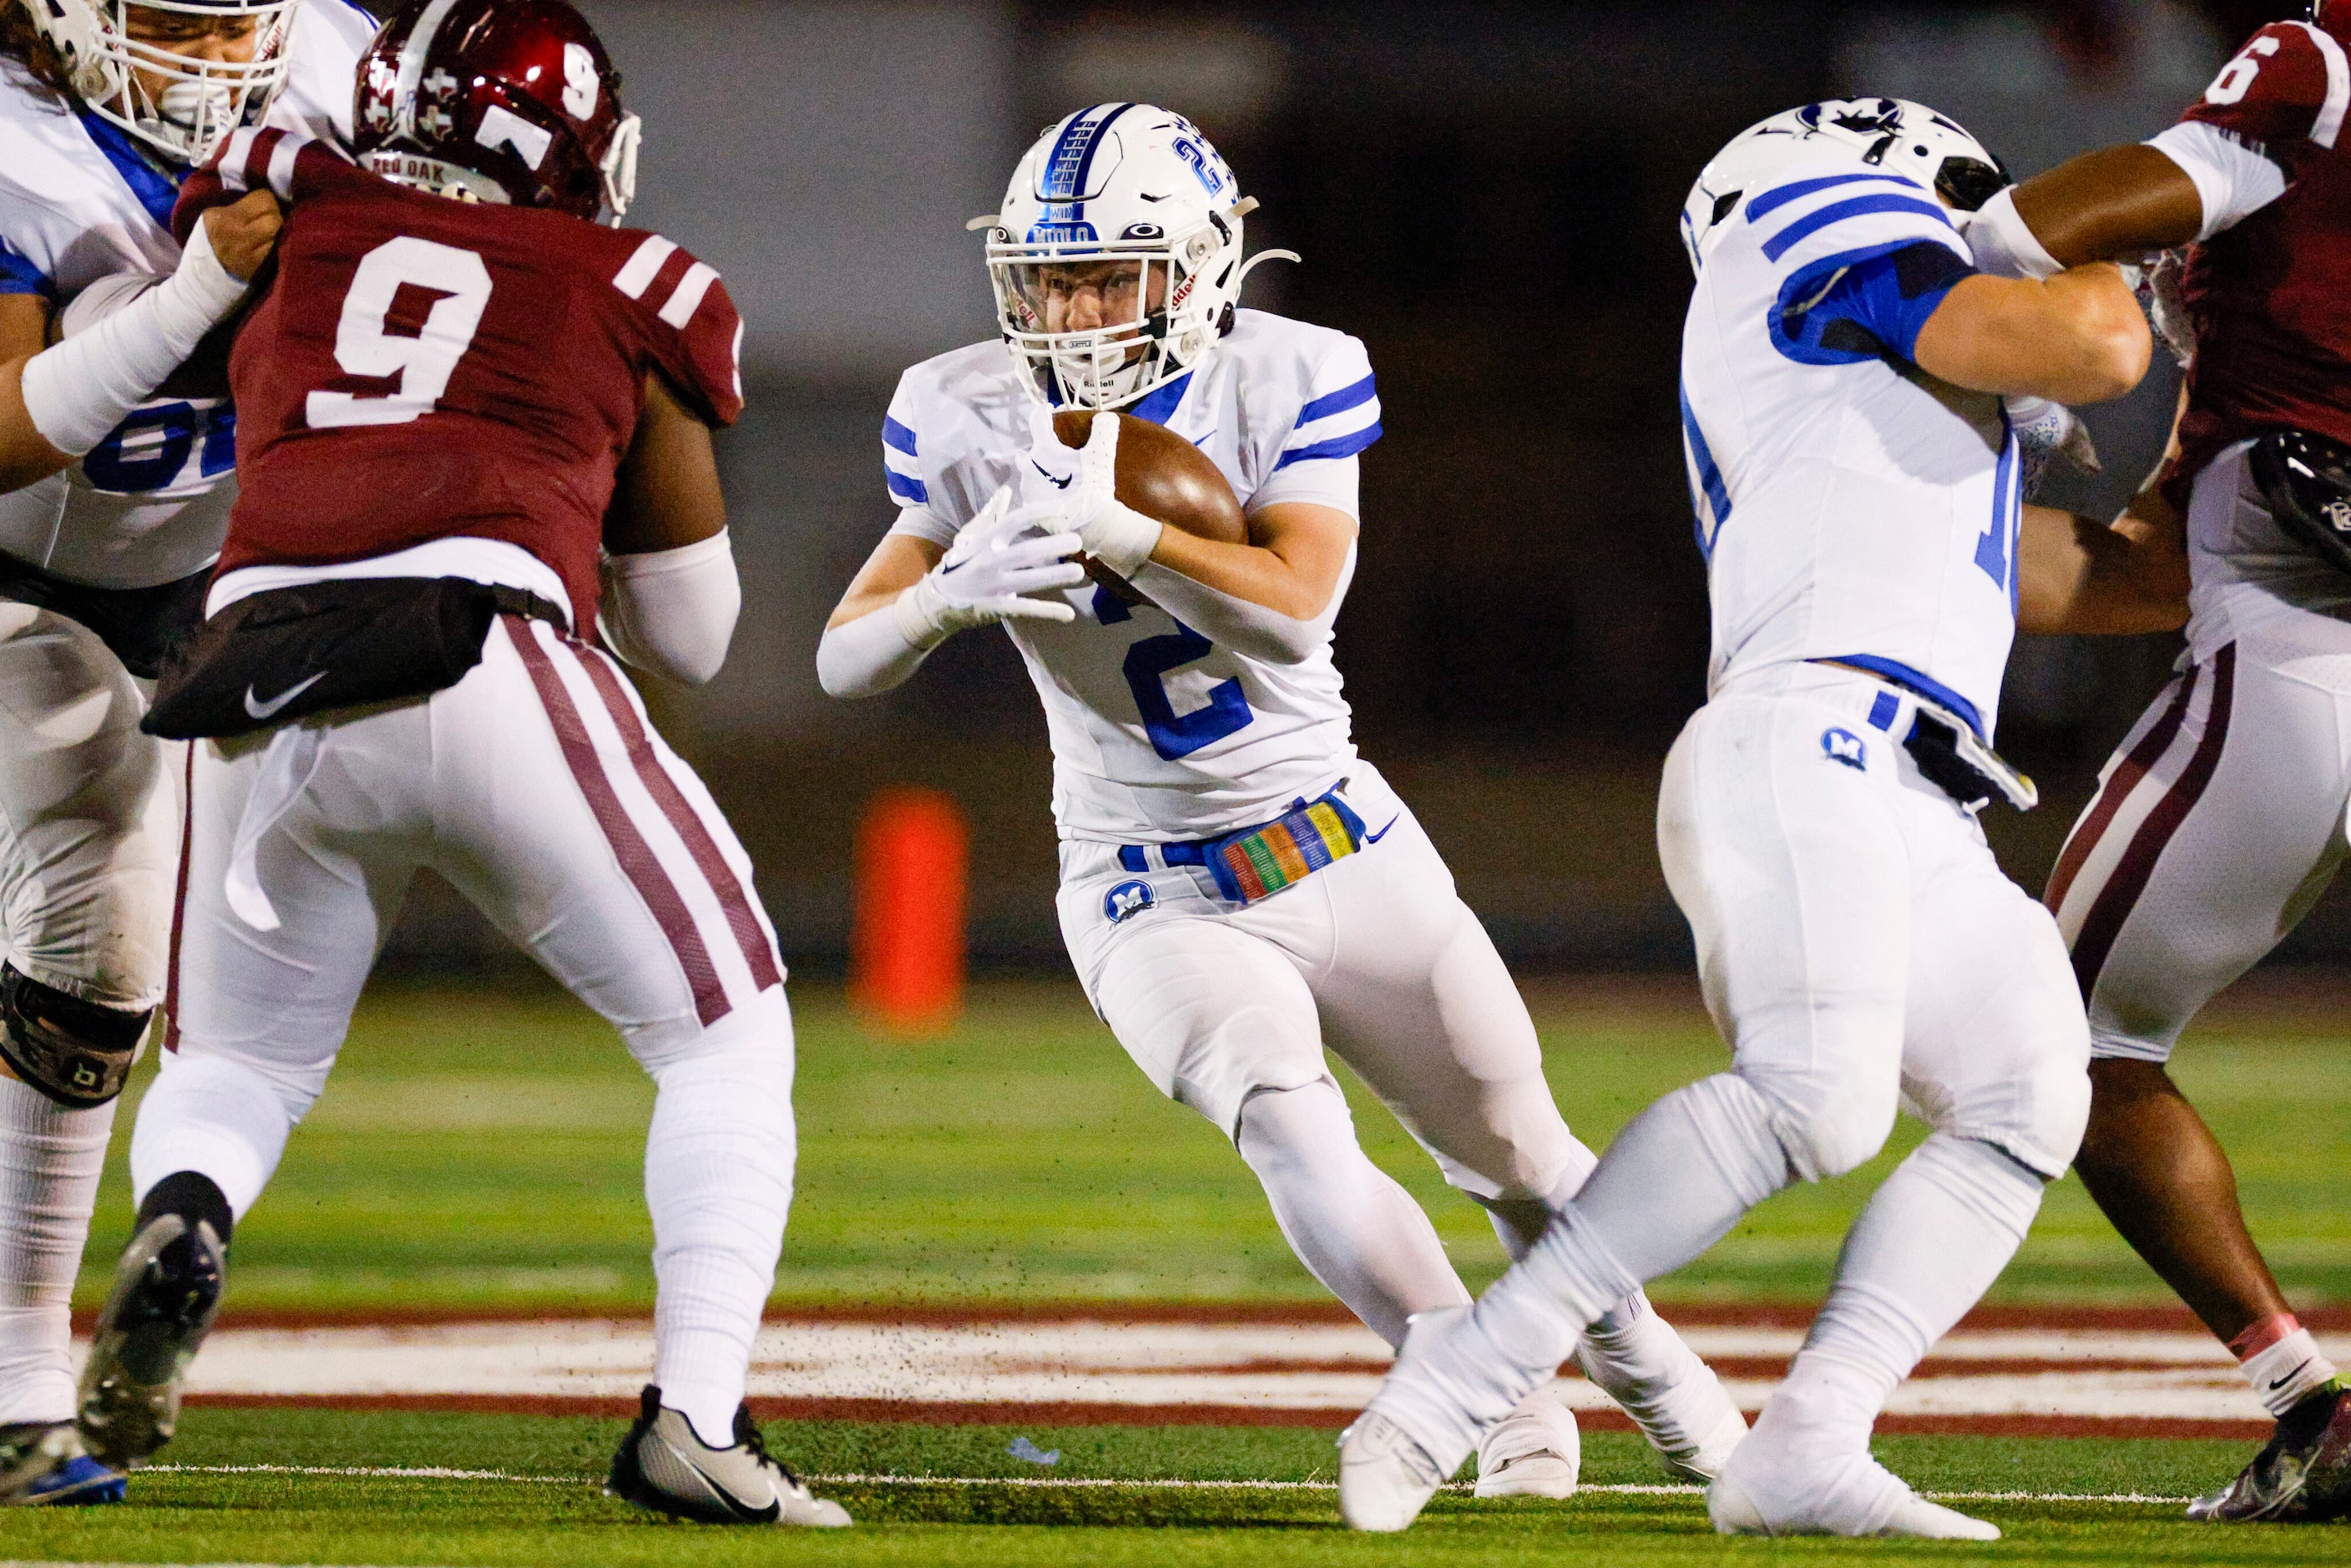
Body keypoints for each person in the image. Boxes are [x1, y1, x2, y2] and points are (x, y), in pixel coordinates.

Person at [818, 101, 1747, 1501]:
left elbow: (1298, 609)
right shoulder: (961, 412)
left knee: (1527, 1163)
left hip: (1335, 839)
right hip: (1144, 877)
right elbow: (842, 656)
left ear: (1200, 270)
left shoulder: (1289, 375)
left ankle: (1651, 1367)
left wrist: (1129, 528)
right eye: (1048, 274)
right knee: (1284, 1114)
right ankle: (1479, 1391)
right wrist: (942, 596)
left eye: (1105, 274)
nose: (1069, 309)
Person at [1335, 98, 2185, 1538]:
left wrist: (2227, 518)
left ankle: (1807, 1440)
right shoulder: (1802, 233)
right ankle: (1455, 1384)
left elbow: (2061, 579)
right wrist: (2158, 245)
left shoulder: (1858, 354)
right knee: (1818, 1094)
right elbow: (2101, 341)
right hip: (1813, 744)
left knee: (2032, 1089)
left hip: (1915, 786)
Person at [73, 0, 848, 1529]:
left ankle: (185, 1214)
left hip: (248, 661)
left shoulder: (282, 201)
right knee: (726, 1032)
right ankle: (693, 1416)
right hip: (482, 639)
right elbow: (693, 634)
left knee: (235, 1063)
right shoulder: (629, 275)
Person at [1954, 1, 2351, 1524]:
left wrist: (2012, 311)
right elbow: (2138, 570)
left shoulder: (2314, 65)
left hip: (2307, 643)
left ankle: (2302, 1397)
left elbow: (2031, 220)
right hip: (2273, 586)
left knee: (2075, 1040)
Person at [0, 0, 372, 1506]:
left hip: (201, 575)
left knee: (112, 951)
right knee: (99, 897)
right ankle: (23, 1373)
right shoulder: (20, 141)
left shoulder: (346, 63)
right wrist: (194, 292)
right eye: (169, 19)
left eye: (236, 21)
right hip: (13, 560)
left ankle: (18, 1380)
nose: (212, 58)